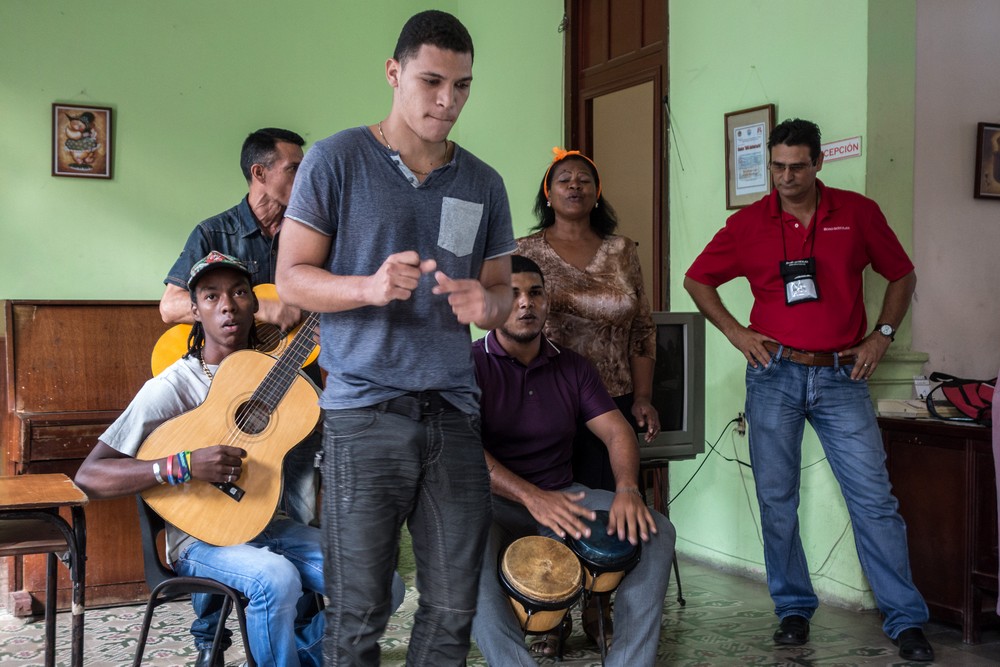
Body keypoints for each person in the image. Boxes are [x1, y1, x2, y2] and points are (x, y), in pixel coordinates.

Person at [275, 10, 515, 666]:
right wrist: (368, 287)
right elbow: (291, 279)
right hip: (363, 414)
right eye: (432, 81)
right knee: (358, 611)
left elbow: (500, 294)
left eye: (462, 86)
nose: (448, 100)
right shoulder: (337, 159)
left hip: (454, 417)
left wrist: (485, 302)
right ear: (393, 72)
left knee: (453, 606)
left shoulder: (482, 182)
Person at [683, 118, 933, 662]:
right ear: (768, 165)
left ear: (819, 163)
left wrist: (882, 338)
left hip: (844, 374)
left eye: (798, 166)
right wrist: (736, 332)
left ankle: (906, 619)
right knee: (777, 499)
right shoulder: (748, 224)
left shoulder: (857, 213)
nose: (787, 177)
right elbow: (697, 278)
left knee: (873, 499)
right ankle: (793, 608)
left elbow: (902, 274)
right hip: (774, 374)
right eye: (777, 167)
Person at [74, 252, 325, 667]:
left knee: (378, 581)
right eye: (211, 296)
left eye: (239, 292)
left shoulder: (279, 379)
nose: (227, 305)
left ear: (253, 302)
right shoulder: (171, 386)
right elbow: (90, 476)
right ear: (194, 310)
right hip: (198, 539)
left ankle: (302, 658)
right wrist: (183, 464)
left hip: (265, 523)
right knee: (276, 580)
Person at [158, 129, 321, 666]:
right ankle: (211, 640)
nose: (306, 175)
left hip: (287, 398)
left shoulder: (315, 232)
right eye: (295, 168)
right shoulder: (217, 231)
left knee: (290, 508)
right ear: (260, 174)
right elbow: (171, 307)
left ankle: (297, 643)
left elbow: (323, 305)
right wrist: (264, 309)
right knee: (215, 515)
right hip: (225, 394)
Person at [470, 255, 674, 666]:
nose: (525, 303)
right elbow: (464, 450)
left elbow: (616, 430)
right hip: (487, 505)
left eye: (535, 292)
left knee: (656, 532)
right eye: (511, 295)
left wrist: (628, 490)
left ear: (547, 302)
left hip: (564, 497)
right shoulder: (466, 365)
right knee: (459, 551)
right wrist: (531, 497)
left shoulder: (573, 366)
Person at [516, 148, 660, 494]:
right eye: (564, 180)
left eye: (584, 180)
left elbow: (642, 329)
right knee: (553, 507)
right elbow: (512, 323)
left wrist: (643, 396)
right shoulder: (523, 252)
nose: (574, 186)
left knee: (609, 509)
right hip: (546, 398)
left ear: (597, 193)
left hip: (614, 400)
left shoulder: (623, 250)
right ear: (548, 195)